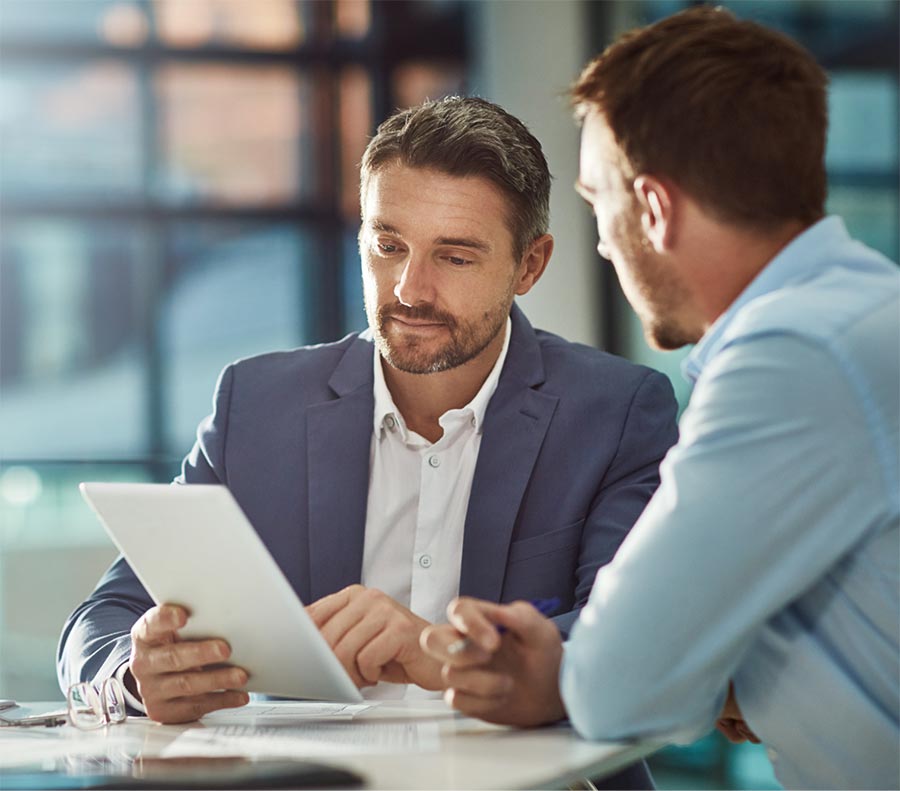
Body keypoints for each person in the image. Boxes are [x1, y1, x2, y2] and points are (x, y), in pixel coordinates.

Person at [57, 98, 677, 743]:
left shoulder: (617, 411)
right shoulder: (257, 403)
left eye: (455, 257)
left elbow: (632, 638)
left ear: (530, 265)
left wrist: (441, 652)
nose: (410, 288)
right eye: (388, 245)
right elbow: (106, 617)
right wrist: (134, 673)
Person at [421, 8, 900, 790]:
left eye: (597, 202)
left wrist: (568, 671)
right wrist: (728, 675)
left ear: (653, 207)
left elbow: (622, 683)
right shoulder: (859, 312)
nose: (603, 241)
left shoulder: (792, 356)